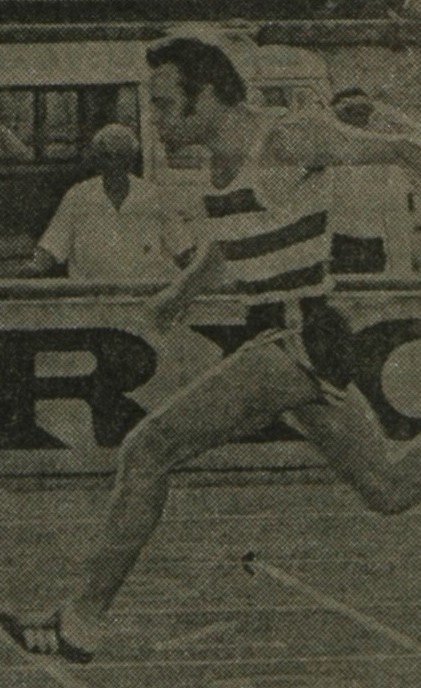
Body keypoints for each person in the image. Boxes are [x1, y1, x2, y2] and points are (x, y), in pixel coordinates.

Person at [4, 36, 421, 663]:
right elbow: (232, 241)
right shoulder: (218, 163)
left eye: (165, 105)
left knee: (148, 449)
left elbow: (406, 149)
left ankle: (80, 623)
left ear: (207, 97)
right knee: (387, 489)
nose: (156, 121)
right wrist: (180, 293)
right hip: (297, 342)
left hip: (296, 336)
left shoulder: (287, 138)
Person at [0, 124, 187, 282]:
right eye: (107, 156)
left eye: (121, 156)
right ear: (98, 161)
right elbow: (53, 243)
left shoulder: (155, 196)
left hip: (143, 295)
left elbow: (182, 247)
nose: (114, 163)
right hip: (91, 295)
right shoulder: (78, 196)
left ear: (131, 161)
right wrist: (29, 270)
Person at [330, 88, 414, 275]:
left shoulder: (384, 157)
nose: (357, 120)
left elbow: (396, 217)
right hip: (334, 242)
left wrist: (401, 272)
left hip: (370, 244)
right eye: (349, 113)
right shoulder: (326, 154)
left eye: (363, 113)